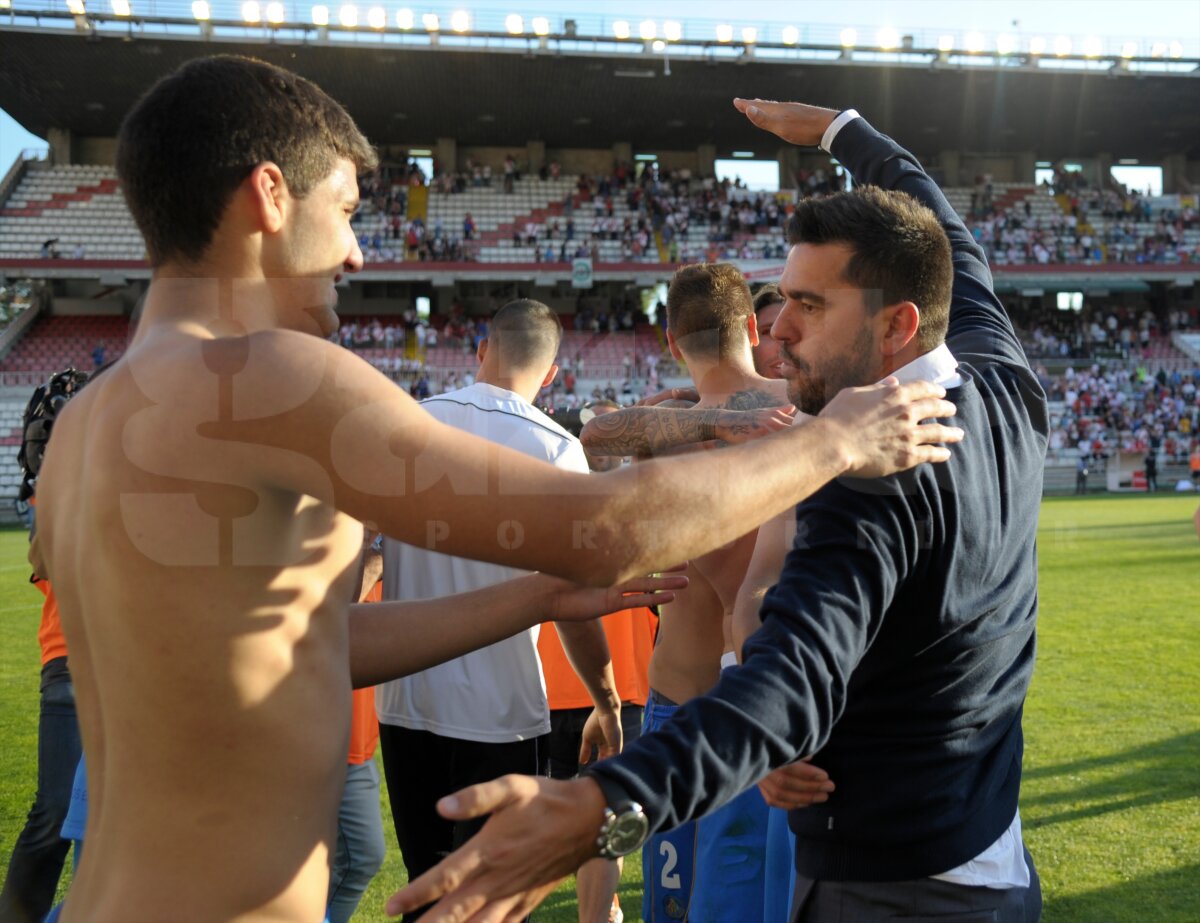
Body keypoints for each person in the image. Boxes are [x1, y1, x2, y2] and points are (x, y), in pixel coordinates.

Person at [31, 58, 959, 923]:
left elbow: (293, 642)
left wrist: (540, 597)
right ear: (269, 197)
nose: (355, 256)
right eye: (348, 210)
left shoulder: (89, 418)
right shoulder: (264, 372)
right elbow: (601, 527)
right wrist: (836, 439)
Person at [391, 97, 1046, 923]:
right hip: (992, 857)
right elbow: (953, 240)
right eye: (782, 302)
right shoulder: (1002, 380)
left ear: (897, 326)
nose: (784, 334)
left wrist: (604, 805)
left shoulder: (869, 471)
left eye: (810, 307)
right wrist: (847, 133)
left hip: (889, 884)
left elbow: (791, 673)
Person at [375, 300, 621, 922]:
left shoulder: (409, 425)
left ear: (482, 350)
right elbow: (567, 600)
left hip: (407, 703)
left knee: (423, 892)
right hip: (501, 709)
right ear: (551, 374)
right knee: (497, 901)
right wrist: (607, 699)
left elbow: (360, 557)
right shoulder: (554, 448)